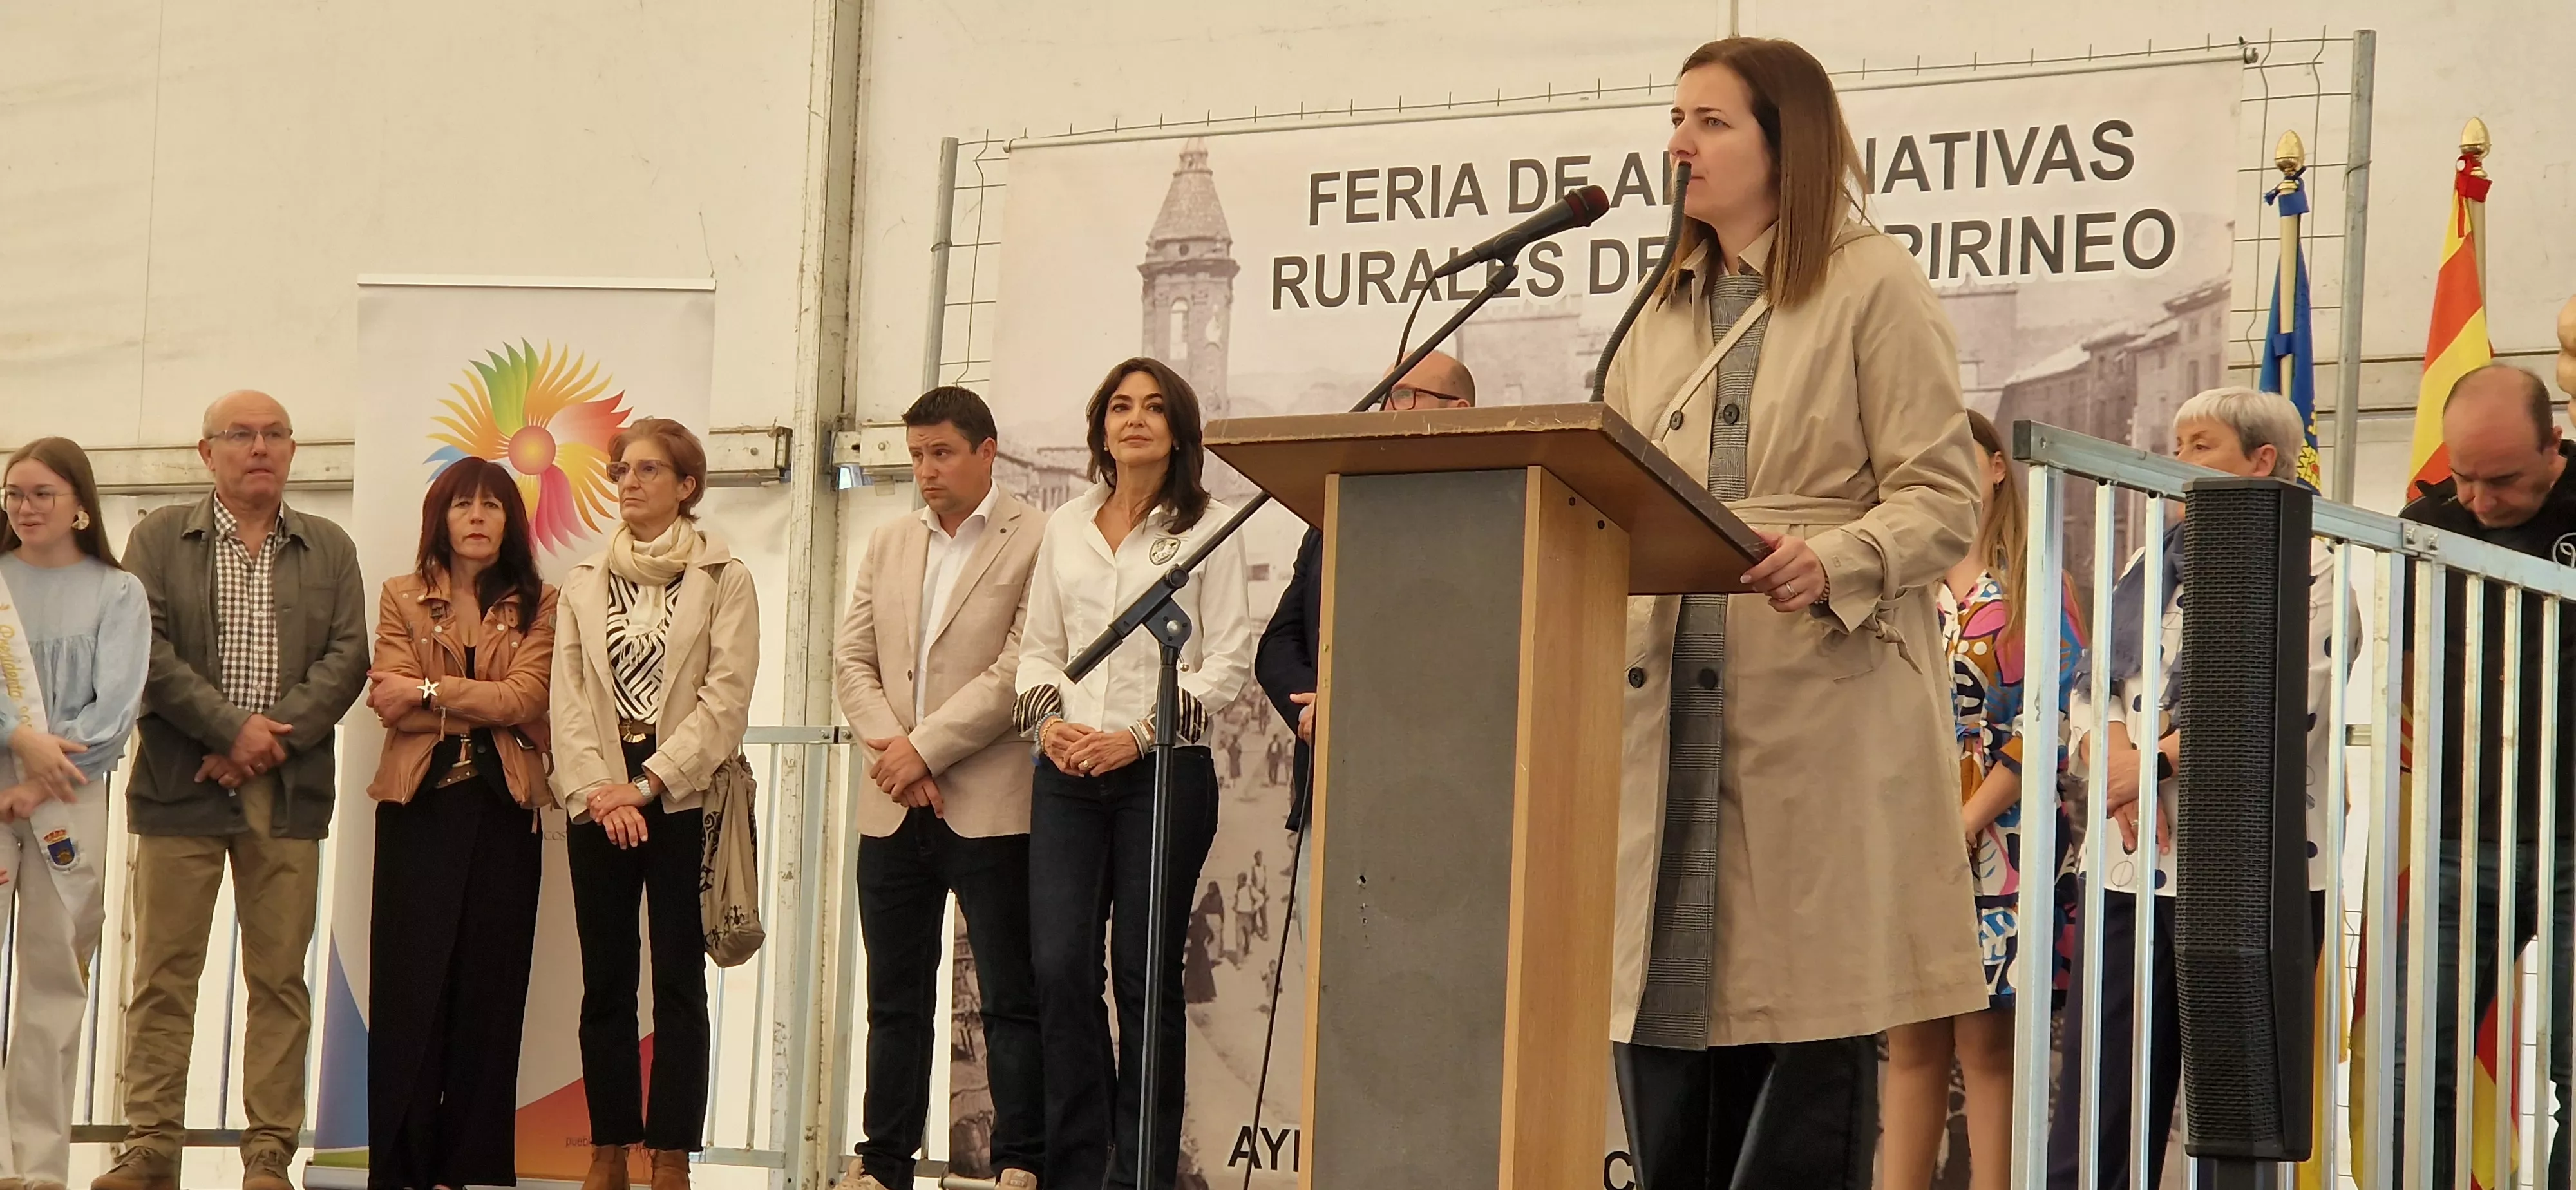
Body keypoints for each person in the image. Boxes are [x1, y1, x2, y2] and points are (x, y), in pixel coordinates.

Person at [1596, 39, 1989, 1188]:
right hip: (1664, 716)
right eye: (1677, 119)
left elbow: (1943, 494)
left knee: (1808, 1033)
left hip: (1813, 708)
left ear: (1789, 141)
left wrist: (1839, 556)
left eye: (1710, 122)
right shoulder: (1658, 306)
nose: (1678, 144)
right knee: (1662, 1017)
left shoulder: (1876, 282)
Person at [2042, 386, 2349, 1187]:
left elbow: (2283, 704)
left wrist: (2145, 766)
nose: (2175, 464)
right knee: (2100, 1098)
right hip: (2127, 858)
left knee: (2231, 1112)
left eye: (2198, 446)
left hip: (2245, 874)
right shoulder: (2151, 562)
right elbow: (2091, 683)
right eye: (2174, 444)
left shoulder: (2316, 571)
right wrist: (2116, 764)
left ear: (2261, 461)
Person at [97, 392, 367, 1190]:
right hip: (180, 785)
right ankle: (151, 1146)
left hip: (285, 792)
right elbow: (142, 647)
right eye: (240, 435)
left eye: (274, 434)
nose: (259, 448)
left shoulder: (330, 547)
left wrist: (260, 743)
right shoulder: (157, 538)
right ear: (205, 451)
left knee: (280, 978)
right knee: (164, 973)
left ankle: (268, 1152)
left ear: (293, 450)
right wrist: (227, 732)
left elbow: (347, 659)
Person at [1012, 357, 1255, 1190]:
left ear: (1180, 430)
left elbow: (1226, 662)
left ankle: (1141, 1174)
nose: (1136, 419)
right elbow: (1038, 648)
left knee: (1144, 977)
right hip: (1067, 773)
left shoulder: (1211, 527)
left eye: (1155, 407)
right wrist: (1048, 724)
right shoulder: (1064, 526)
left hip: (1162, 777)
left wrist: (1140, 737)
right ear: (1101, 428)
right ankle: (1077, 1172)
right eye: (1120, 406)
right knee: (1058, 970)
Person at [832, 387, 1044, 1190]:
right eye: (917, 454)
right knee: (894, 999)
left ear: (987, 450)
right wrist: (897, 755)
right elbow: (851, 661)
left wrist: (921, 750)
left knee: (1007, 997)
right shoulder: (888, 541)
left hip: (989, 802)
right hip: (892, 805)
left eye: (942, 453)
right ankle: (882, 1161)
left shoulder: (1037, 537)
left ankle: (1025, 1158)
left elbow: (1018, 667)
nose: (925, 469)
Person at [552, 418, 759, 1190]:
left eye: (647, 470)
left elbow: (726, 698)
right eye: (620, 470)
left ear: (687, 486)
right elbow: (568, 698)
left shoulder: (725, 575)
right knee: (605, 979)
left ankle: (670, 1151)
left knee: (677, 976)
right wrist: (602, 794)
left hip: (682, 791)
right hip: (599, 789)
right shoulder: (583, 578)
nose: (629, 482)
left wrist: (648, 785)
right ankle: (609, 1149)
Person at [1881, 411, 2082, 1189]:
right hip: (1902, 833)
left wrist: (1966, 820)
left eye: (1959, 457)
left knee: (1987, 1050)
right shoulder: (1901, 583)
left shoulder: (2038, 585)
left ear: (1998, 467)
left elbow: (2047, 720)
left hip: (2002, 840)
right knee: (1910, 1045)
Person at [2391, 363, 2576, 1185]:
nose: (2479, 500)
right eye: (2463, 476)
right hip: (2461, 834)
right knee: (2414, 1070)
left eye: (2501, 479)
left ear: (2553, 449)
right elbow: (2405, 659)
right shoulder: (2424, 524)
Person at [362, 457, 559, 1190]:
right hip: (420, 809)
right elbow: (388, 702)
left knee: (490, 990)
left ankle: (470, 1167)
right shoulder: (401, 596)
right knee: (412, 989)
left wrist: (429, 688)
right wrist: (448, 694)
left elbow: (525, 698)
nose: (477, 518)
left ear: (512, 521)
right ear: (439, 518)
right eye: (462, 505)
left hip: (505, 809)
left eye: (493, 506)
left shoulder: (541, 601)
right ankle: (403, 1166)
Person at [0, 439, 149, 1190]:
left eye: (42, 494)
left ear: (81, 506)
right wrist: (17, 737)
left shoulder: (118, 594)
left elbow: (116, 707)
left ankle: (38, 1168)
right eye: (14, 494)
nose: (25, 508)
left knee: (56, 978)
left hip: (67, 799)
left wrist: (41, 778)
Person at [1256, 350, 1473, 841]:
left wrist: (1363, 707)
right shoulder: (1333, 517)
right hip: (1331, 790)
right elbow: (1278, 645)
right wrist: (1313, 710)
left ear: (1459, 413)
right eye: (1383, 399)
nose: (1386, 411)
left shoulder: (1488, 524)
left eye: (1403, 396)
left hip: (1446, 801)